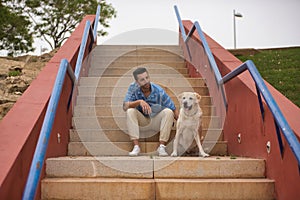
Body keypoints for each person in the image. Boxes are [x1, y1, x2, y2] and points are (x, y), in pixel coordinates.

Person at [123, 67, 179, 156]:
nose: (146, 81)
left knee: (168, 112)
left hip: (157, 121)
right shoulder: (133, 88)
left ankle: (162, 147)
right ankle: (136, 147)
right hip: (142, 122)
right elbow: (125, 106)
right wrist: (139, 102)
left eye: (147, 78)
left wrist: (183, 125)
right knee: (130, 111)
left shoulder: (159, 91)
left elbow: (173, 108)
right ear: (137, 82)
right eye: (142, 80)